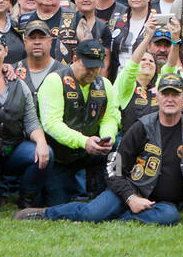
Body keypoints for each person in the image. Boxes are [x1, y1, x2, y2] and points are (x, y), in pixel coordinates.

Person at [17, 69, 183, 224]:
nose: (170, 99)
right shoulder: (142, 127)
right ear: (156, 97)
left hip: (162, 203)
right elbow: (114, 168)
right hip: (129, 191)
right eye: (165, 94)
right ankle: (45, 214)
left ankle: (116, 217)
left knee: (170, 217)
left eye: (175, 94)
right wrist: (131, 198)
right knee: (90, 214)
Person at [36, 39, 120, 205]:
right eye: (88, 66)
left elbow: (110, 116)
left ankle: (114, 189)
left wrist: (107, 137)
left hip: (91, 151)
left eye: (97, 67)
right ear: (75, 59)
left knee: (118, 145)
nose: (92, 72)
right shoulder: (55, 80)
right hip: (60, 154)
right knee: (58, 203)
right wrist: (83, 141)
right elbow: (51, 123)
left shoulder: (105, 84)